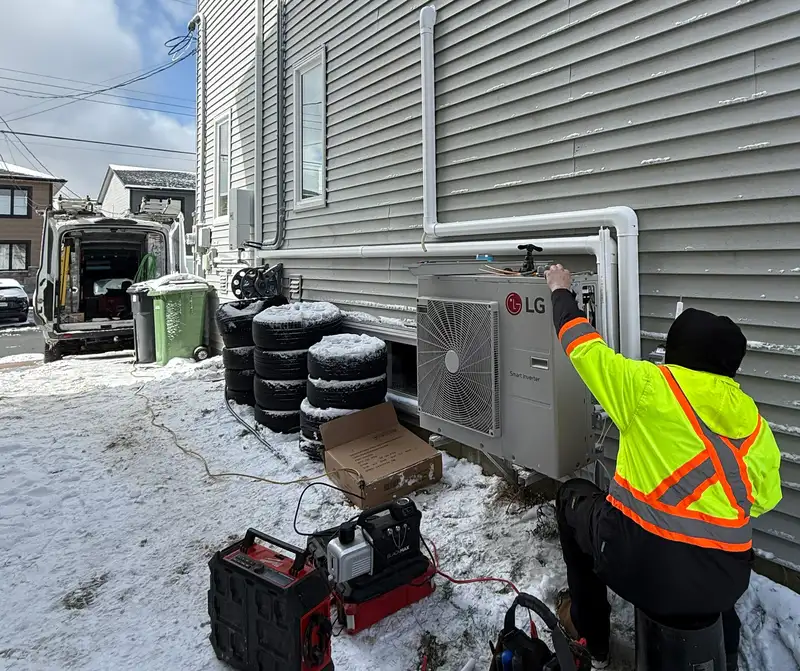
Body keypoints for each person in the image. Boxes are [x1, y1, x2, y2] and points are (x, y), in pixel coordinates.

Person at [543, 264, 782, 670]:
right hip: (725, 576)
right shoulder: (754, 422)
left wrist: (560, 290)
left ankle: (591, 635)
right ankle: (723, 651)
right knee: (704, 578)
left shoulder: (649, 386)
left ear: (677, 352)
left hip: (638, 563)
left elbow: (582, 346)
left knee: (571, 497)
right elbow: (763, 500)